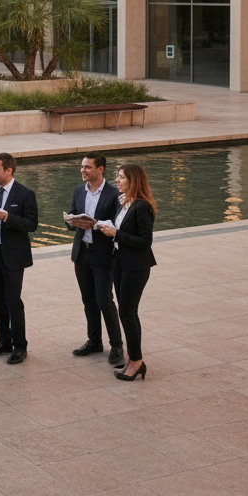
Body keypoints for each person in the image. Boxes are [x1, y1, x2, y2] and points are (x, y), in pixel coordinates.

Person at [0, 151, 38, 365]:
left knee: (13, 302)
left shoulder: (25, 194)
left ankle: (20, 346)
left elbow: (31, 224)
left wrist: (8, 217)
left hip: (13, 256)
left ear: (8, 170)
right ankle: (3, 340)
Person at [63, 152, 124, 367]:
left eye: (88, 167)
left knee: (104, 300)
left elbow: (118, 224)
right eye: (82, 166)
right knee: (88, 300)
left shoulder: (114, 193)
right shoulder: (79, 191)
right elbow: (72, 216)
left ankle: (117, 345)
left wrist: (96, 224)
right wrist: (71, 222)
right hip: (82, 253)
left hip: (103, 254)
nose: (83, 170)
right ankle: (94, 341)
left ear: (100, 169)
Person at [98, 163, 157, 381]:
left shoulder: (142, 206)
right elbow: (121, 231)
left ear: (134, 180)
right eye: (118, 176)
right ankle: (132, 360)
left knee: (128, 314)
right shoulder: (124, 203)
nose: (118, 180)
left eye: (122, 177)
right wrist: (108, 228)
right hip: (120, 263)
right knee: (126, 312)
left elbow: (145, 241)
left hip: (136, 266)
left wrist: (116, 233)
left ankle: (137, 361)